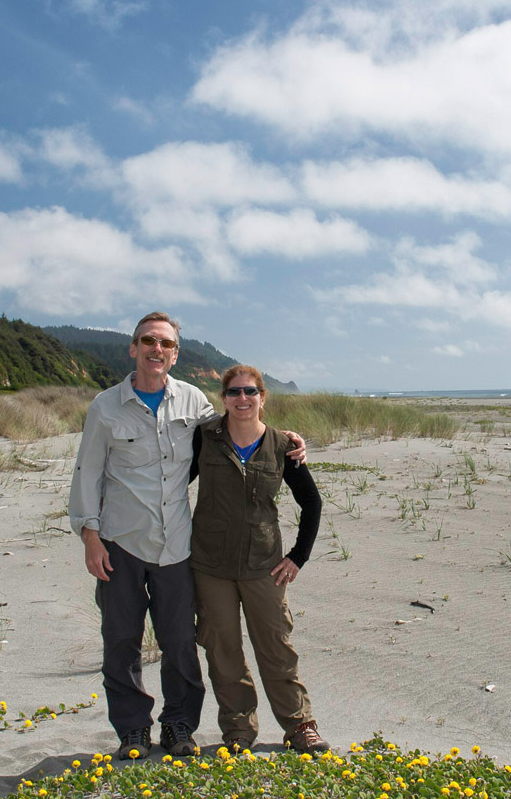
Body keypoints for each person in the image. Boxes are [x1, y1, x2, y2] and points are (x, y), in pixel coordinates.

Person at [69, 313, 307, 760]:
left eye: (165, 343)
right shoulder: (105, 406)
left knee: (180, 642)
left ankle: (180, 724)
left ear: (175, 353)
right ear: (133, 348)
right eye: (148, 341)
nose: (156, 349)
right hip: (119, 542)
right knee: (120, 641)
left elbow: (236, 424)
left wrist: (287, 440)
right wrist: (90, 536)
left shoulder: (192, 401)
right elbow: (88, 473)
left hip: (177, 547)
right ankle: (133, 730)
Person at [190, 364, 328, 755]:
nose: (242, 399)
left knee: (276, 647)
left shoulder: (283, 445)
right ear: (224, 398)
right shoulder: (205, 438)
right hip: (210, 565)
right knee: (223, 650)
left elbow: (311, 503)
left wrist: (298, 557)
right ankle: (238, 730)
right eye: (234, 392)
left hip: (263, 565)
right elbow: (171, 480)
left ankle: (300, 726)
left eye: (250, 392)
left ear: (262, 398)